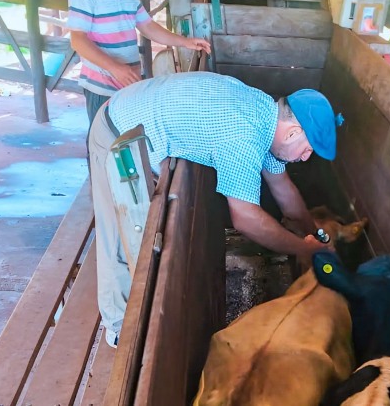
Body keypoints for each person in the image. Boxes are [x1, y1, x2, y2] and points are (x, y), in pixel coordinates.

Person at [87, 71, 341, 348]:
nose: (305, 158)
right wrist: (304, 249)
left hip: (140, 122)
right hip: (117, 134)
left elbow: (283, 189)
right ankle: (117, 328)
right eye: (308, 150)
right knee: (119, 231)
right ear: (293, 132)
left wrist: (314, 234)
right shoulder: (244, 134)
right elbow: (245, 218)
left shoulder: (265, 116)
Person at [67, 0, 211, 123]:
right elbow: (78, 40)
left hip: (130, 83)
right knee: (102, 146)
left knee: (129, 146)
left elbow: (146, 25)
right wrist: (115, 68)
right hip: (102, 87)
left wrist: (185, 42)